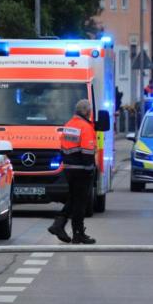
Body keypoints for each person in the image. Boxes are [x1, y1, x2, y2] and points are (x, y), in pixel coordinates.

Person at [48, 99, 97, 244]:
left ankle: (62, 226)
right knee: (80, 203)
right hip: (82, 170)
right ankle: (75, 232)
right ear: (87, 112)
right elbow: (88, 152)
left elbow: (63, 147)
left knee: (75, 199)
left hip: (69, 169)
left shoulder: (69, 124)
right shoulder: (86, 127)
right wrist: (90, 170)